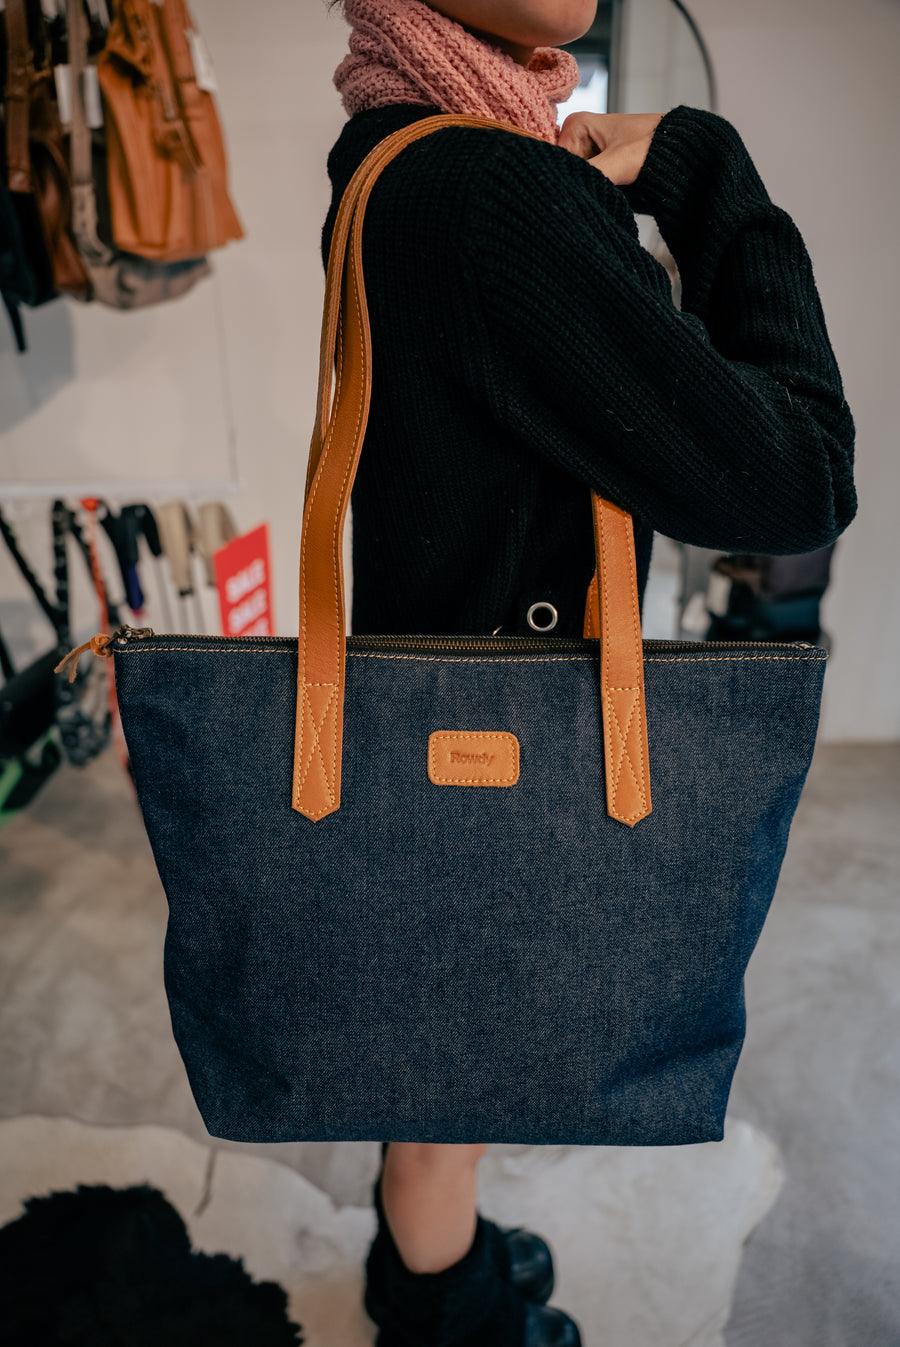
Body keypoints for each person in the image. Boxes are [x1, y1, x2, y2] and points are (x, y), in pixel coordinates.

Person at [321, 1, 857, 1343]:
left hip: (425, 672)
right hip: (504, 716)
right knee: (457, 1078)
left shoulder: (385, 147)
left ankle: (426, 1264)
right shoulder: (493, 190)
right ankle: (442, 1313)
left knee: (437, 1053)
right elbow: (795, 477)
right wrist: (705, 167)